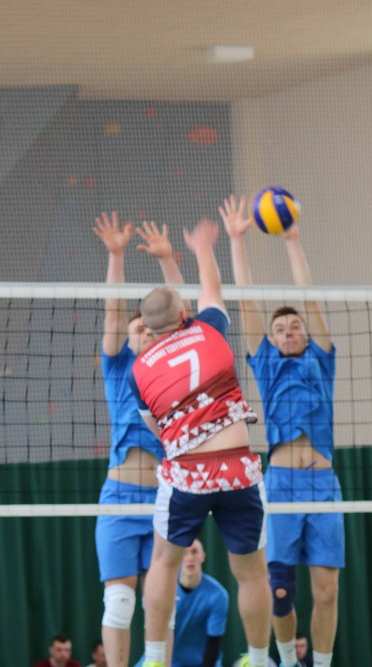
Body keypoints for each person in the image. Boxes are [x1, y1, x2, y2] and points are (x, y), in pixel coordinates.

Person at [129, 218, 272, 667]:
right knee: (251, 573)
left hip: (187, 474)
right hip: (237, 469)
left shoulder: (139, 370)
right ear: (184, 314)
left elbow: (158, 430)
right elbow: (211, 288)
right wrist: (203, 249)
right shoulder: (209, 329)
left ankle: (155, 658)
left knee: (163, 563)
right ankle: (258, 659)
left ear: (147, 327)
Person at [220, 195, 340, 667]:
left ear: (307, 335)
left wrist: (292, 242)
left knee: (327, 591)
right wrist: (237, 240)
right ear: (270, 339)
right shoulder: (267, 365)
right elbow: (246, 300)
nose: (288, 331)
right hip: (283, 484)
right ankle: (287, 662)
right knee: (281, 589)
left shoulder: (321, 360)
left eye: (294, 327)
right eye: (280, 328)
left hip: (323, 483)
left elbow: (310, 297)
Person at [93, 213, 184, 667]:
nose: (144, 333)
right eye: (136, 330)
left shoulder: (174, 365)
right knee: (120, 601)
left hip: (165, 497)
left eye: (149, 328)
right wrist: (117, 254)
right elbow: (113, 311)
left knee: (162, 603)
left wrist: (168, 260)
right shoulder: (117, 367)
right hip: (119, 497)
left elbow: (187, 318)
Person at [137, 539, 230, 667]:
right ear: (178, 557)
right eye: (185, 553)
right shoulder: (163, 590)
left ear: (203, 556)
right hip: (165, 660)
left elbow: (214, 643)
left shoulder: (218, 594)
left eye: (194, 552)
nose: (190, 558)